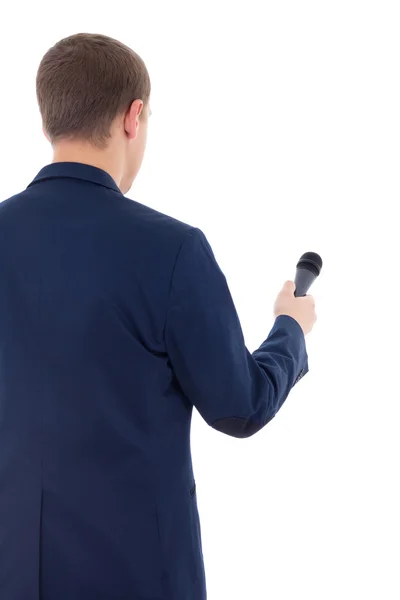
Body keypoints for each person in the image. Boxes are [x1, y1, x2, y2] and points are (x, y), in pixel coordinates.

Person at [0, 33, 317, 600]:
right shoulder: (170, 250)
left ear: (49, 120)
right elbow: (241, 406)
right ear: (134, 116)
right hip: (139, 579)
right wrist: (289, 329)